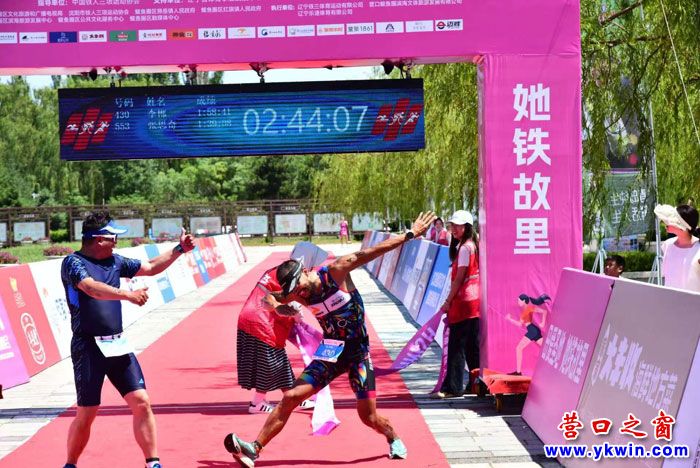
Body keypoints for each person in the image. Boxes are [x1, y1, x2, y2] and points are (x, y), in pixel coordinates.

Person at [224, 211, 437, 467]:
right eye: (294, 292)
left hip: (358, 354)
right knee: (291, 397)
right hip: (331, 353)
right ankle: (254, 449)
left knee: (368, 417)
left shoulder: (336, 271)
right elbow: (269, 297)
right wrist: (279, 308)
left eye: (300, 287)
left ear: (305, 271)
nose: (299, 294)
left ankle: (392, 436)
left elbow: (373, 252)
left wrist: (409, 235)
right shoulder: (296, 292)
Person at [60, 211, 195, 468]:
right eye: (113, 238)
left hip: (117, 344)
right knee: (87, 413)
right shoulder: (73, 262)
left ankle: (152, 463)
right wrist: (128, 294)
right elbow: (90, 288)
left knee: (142, 402)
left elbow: (151, 267)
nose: (116, 242)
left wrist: (180, 249)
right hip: (88, 347)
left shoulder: (116, 261)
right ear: (98, 239)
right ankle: (70, 464)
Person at [237, 266, 314, 414]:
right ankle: (257, 403)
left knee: (280, 364)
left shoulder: (278, 271)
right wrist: (298, 316)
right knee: (270, 365)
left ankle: (294, 398)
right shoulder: (291, 278)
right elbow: (291, 305)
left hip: (252, 317)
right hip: (262, 322)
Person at [430, 210, 480, 399]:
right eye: (453, 225)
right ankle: (476, 385)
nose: (454, 229)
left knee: (456, 346)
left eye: (459, 226)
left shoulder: (465, 248)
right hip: (474, 302)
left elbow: (459, 279)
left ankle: (453, 387)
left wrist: (447, 302)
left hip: (463, 302)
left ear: (467, 227)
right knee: (471, 347)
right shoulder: (473, 245)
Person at [655, 204, 700, 292]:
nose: (666, 223)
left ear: (682, 226)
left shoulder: (698, 249)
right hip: (670, 298)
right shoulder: (667, 245)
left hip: (693, 299)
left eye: (671, 220)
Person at [505, 293, 551, 376]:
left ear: (523, 301)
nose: (518, 302)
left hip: (532, 331)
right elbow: (520, 324)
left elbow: (544, 311)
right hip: (534, 330)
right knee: (546, 348)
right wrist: (510, 319)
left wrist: (543, 322)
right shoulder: (525, 310)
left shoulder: (529, 308)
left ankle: (518, 372)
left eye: (519, 300)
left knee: (518, 348)